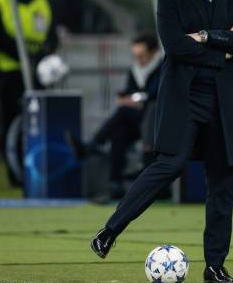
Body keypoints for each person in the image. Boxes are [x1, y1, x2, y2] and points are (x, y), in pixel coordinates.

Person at [90, 0, 233, 283]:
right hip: (185, 97)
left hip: (226, 102)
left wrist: (204, 37)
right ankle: (109, 231)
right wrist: (225, 45)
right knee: (167, 165)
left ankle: (215, 266)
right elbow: (175, 46)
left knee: (221, 183)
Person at [67, 34, 162, 198]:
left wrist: (133, 99)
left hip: (154, 120)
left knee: (123, 112)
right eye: (136, 56)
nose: (138, 60)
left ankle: (93, 145)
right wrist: (129, 98)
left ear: (154, 52)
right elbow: (131, 92)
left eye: (142, 56)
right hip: (136, 119)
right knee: (119, 135)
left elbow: (153, 94)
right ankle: (115, 184)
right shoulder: (135, 70)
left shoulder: (163, 67)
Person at [0, 0, 57, 185]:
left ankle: (41, 168)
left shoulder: (41, 2)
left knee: (39, 121)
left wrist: (41, 57)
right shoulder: (1, 2)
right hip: (10, 71)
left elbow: (51, 35)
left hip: (38, 72)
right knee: (12, 120)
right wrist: (23, 56)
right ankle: (15, 173)